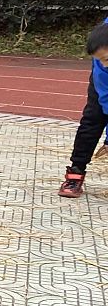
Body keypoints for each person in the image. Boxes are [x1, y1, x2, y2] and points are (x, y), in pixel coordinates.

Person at [58, 19, 108, 199]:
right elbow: (107, 99)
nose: (105, 63)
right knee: (92, 119)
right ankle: (76, 171)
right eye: (102, 60)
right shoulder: (103, 65)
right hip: (104, 86)